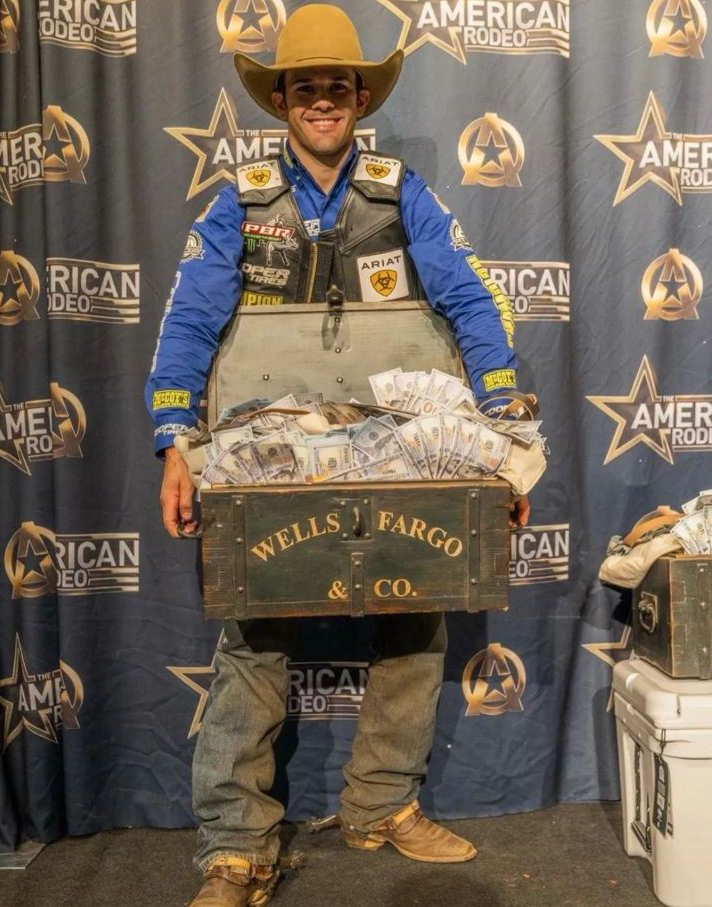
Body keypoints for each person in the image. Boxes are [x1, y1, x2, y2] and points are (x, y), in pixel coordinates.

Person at [145, 5, 530, 905]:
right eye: (304, 86)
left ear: (361, 97)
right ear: (281, 100)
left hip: (399, 439)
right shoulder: (237, 200)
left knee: (416, 612)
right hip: (264, 444)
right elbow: (190, 321)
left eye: (337, 86)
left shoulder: (407, 194)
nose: (322, 100)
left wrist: (504, 430)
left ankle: (382, 803)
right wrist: (175, 444)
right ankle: (237, 842)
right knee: (255, 631)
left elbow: (472, 305)